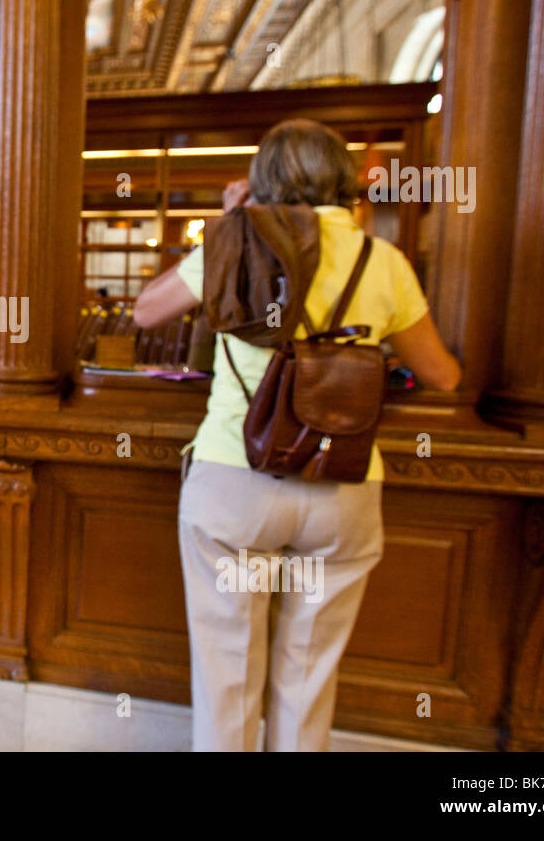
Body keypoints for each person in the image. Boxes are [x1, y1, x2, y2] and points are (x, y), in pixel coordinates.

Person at [133, 119, 461, 751]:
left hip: (234, 481)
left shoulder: (239, 244)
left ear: (261, 182)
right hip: (341, 486)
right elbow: (442, 375)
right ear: (344, 180)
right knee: (310, 671)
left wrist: (231, 225)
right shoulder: (382, 260)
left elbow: (149, 310)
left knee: (226, 669)